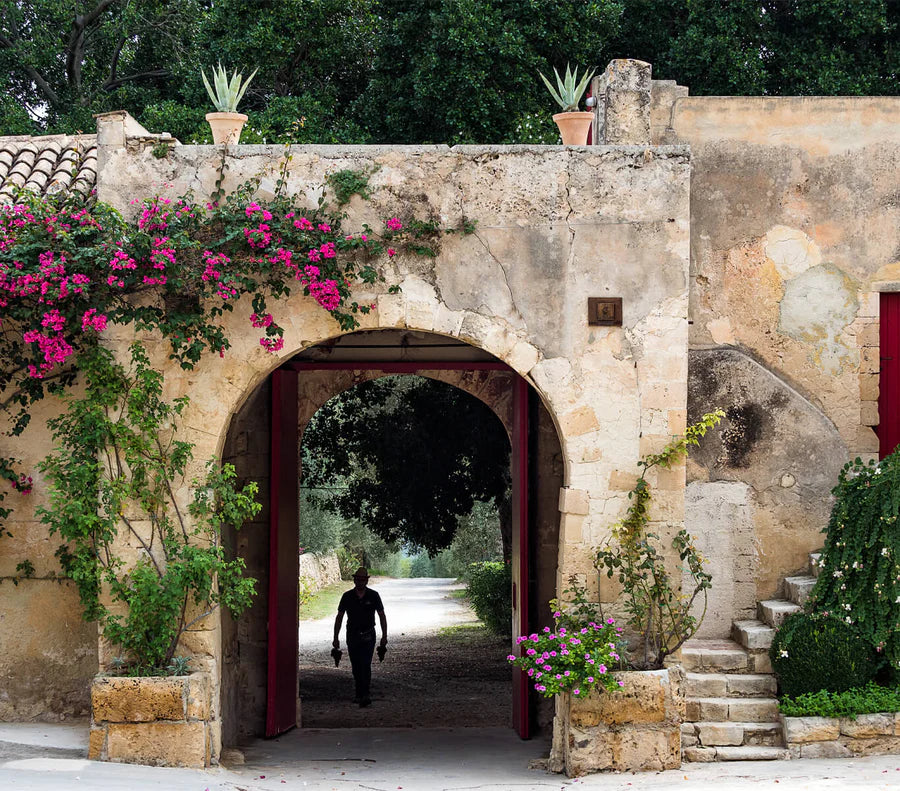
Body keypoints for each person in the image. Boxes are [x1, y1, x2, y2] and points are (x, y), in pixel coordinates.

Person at [333, 567, 387, 707]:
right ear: (354, 580)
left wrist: (384, 636)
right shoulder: (347, 596)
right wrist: (335, 637)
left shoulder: (374, 596)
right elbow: (339, 617)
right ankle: (358, 692)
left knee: (365, 663)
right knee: (356, 664)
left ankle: (365, 693)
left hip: (369, 634)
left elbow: (382, 616)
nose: (360, 582)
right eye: (358, 579)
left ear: (367, 580)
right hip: (352, 634)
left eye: (363, 579)